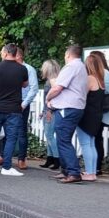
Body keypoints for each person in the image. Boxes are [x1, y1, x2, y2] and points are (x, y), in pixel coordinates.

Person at [0, 43, 28, 177]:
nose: (1, 53)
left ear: (7, 52)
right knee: (11, 138)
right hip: (14, 108)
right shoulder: (22, 69)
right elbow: (25, 84)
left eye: (2, 51)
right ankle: (6, 167)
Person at [46, 45, 88, 184]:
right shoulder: (82, 67)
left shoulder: (71, 67)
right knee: (63, 139)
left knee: (63, 140)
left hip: (67, 108)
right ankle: (66, 170)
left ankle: (74, 172)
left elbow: (58, 87)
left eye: (65, 56)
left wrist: (48, 98)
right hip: (76, 107)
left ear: (68, 55)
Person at [74, 54, 105, 182]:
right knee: (91, 144)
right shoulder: (100, 79)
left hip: (86, 116)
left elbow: (81, 94)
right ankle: (92, 172)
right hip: (96, 116)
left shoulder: (89, 78)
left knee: (86, 144)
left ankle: (89, 172)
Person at [90, 50, 109, 175]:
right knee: (96, 138)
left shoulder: (105, 73)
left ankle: (97, 167)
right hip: (97, 112)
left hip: (100, 112)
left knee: (97, 139)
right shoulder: (102, 73)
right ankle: (95, 166)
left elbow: (106, 90)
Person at [15, 47, 39, 170]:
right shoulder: (11, 68)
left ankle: (21, 159)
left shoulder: (29, 69)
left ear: (19, 56)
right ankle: (5, 156)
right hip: (10, 102)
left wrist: (24, 104)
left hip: (22, 102)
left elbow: (34, 89)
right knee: (6, 130)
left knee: (21, 131)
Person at [38, 59, 61, 170]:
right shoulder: (54, 79)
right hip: (48, 111)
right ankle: (50, 158)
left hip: (50, 111)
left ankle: (57, 160)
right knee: (49, 135)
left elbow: (54, 97)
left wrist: (49, 111)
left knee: (50, 135)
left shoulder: (52, 80)